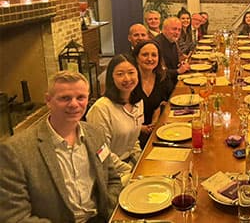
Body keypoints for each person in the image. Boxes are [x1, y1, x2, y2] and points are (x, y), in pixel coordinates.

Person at [0, 71, 121, 222]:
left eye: (80, 97)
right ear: (48, 100)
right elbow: (15, 217)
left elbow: (112, 180)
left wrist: (110, 213)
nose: (74, 104)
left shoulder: (95, 134)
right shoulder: (15, 151)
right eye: (65, 98)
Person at [87, 54, 143, 184]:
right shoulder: (101, 109)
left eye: (131, 72)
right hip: (111, 173)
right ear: (111, 77)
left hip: (131, 164)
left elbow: (133, 141)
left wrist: (141, 161)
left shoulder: (137, 102)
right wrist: (131, 171)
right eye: (120, 74)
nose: (127, 78)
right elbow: (101, 152)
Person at [132, 40, 174, 148]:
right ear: (136, 57)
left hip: (158, 130)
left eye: (154, 55)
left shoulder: (162, 77)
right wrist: (140, 128)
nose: (150, 59)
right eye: (145, 55)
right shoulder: (130, 80)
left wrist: (158, 114)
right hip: (133, 136)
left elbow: (168, 101)